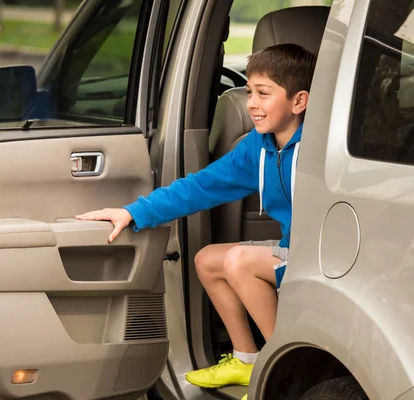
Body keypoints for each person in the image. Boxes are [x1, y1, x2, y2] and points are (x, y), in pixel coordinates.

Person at [76, 43, 317, 391]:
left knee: (239, 262)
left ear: (299, 101)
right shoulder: (257, 147)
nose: (251, 103)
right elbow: (200, 187)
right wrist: (134, 211)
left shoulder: (317, 149)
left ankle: (288, 370)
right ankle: (246, 360)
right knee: (207, 260)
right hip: (293, 251)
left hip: (321, 258)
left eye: (264, 94)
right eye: (249, 92)